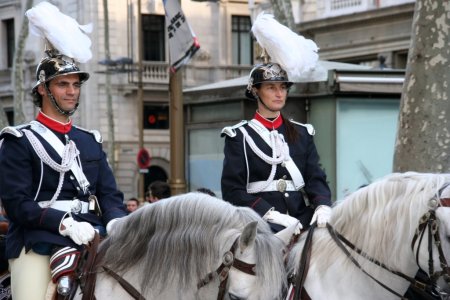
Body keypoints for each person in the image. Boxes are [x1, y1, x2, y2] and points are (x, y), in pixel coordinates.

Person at [0, 42, 127, 300]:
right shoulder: (19, 140)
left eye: (76, 85)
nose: (72, 92)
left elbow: (110, 195)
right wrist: (63, 223)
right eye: (63, 84)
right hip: (36, 239)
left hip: (94, 234)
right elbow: (17, 204)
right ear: (42, 89)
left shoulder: (89, 140)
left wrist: (115, 221)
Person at [221, 62, 332, 233]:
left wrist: (323, 205)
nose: (279, 94)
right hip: (260, 222)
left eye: (283, 87)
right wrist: (269, 214)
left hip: (302, 219)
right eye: (271, 88)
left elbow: (315, 178)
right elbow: (233, 191)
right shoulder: (239, 136)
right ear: (256, 91)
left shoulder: (302, 133)